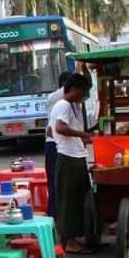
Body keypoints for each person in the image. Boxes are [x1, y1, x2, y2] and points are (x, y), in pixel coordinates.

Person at [50, 73, 93, 254]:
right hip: (70, 159)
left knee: (69, 200)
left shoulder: (60, 105)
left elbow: (49, 131)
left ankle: (67, 240)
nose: (84, 96)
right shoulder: (65, 105)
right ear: (74, 89)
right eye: (83, 92)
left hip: (69, 156)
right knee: (72, 201)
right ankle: (71, 242)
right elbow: (59, 128)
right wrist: (83, 136)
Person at [44, 71, 73, 217]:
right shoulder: (59, 98)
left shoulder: (65, 101)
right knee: (58, 183)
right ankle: (57, 214)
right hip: (56, 145)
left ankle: (59, 213)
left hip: (59, 145)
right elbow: (53, 130)